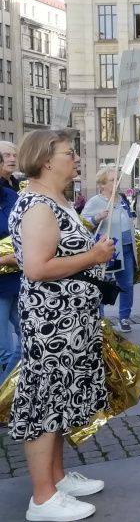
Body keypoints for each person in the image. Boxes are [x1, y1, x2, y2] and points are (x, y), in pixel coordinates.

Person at [9, 129, 115, 522]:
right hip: (53, 319)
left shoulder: (57, 200)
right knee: (45, 402)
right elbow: (37, 268)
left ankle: (55, 479)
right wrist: (93, 256)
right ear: (45, 159)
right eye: (70, 153)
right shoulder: (38, 203)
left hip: (69, 318)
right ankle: (42, 498)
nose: (76, 159)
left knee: (59, 398)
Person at [81, 169, 138, 333]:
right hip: (108, 249)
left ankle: (124, 317)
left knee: (127, 284)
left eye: (118, 179)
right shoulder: (95, 202)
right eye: (113, 180)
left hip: (126, 248)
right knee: (103, 284)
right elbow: (83, 223)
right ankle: (100, 318)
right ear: (102, 184)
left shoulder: (122, 199)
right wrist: (96, 218)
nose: (117, 183)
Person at [0, 141, 21, 384]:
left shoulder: (12, 194)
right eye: (7, 155)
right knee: (3, 348)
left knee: (30, 337)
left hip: (19, 277)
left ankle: (7, 397)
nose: (11, 159)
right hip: (2, 282)